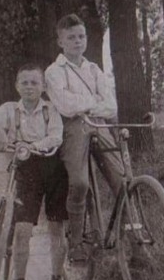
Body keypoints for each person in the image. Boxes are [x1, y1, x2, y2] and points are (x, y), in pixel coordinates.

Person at [0, 63, 69, 280]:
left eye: (34, 83)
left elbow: (56, 136)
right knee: (22, 230)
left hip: (53, 168)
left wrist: (34, 146)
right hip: (27, 172)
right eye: (24, 83)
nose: (29, 87)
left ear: (43, 87)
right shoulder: (9, 110)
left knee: (57, 227)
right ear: (17, 86)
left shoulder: (51, 110)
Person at [44, 13, 125, 263]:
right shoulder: (54, 71)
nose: (77, 42)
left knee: (122, 181)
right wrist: (94, 103)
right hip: (73, 130)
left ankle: (133, 238)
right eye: (71, 38)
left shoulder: (93, 69)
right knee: (79, 184)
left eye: (81, 36)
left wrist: (88, 106)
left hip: (99, 126)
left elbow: (111, 107)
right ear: (60, 42)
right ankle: (76, 243)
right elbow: (67, 107)